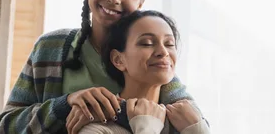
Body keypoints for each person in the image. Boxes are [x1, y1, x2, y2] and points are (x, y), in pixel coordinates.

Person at [0, 0, 203, 133]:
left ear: (140, 2)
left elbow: (194, 123)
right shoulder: (51, 47)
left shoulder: (150, 59)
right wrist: (64, 105)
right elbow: (5, 127)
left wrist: (107, 115)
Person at [76, 10, 209, 134]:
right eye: (147, 43)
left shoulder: (188, 120)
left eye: (169, 44)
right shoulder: (97, 128)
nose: (163, 52)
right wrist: (146, 128)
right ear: (118, 60)